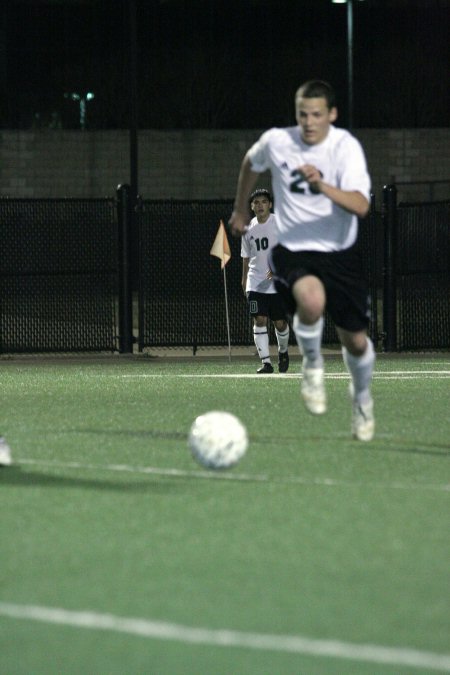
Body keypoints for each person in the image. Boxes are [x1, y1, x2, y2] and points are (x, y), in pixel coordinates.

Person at [229, 79, 375, 441]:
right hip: (295, 249)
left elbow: (361, 204)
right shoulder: (278, 142)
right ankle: (311, 364)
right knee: (310, 301)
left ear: (332, 115)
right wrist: (238, 209)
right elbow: (251, 161)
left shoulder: (345, 148)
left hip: (340, 251)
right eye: (302, 114)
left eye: (317, 114)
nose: (309, 122)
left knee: (355, 342)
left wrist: (321, 185)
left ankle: (361, 400)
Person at [241, 188, 290, 374]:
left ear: (270, 204)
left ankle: (283, 351)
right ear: (252, 207)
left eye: (263, 202)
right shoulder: (248, 230)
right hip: (256, 282)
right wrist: (244, 280)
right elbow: (245, 257)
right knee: (259, 319)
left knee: (280, 323)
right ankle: (266, 362)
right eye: (256, 202)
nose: (260, 205)